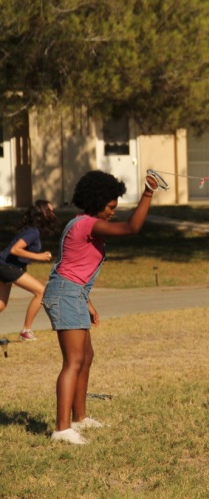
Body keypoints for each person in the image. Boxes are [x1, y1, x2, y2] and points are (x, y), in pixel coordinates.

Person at [44, 170, 159, 445]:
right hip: (65, 295)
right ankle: (61, 429)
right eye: (110, 207)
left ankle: (79, 419)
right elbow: (132, 228)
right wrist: (148, 192)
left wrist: (88, 303)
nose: (112, 213)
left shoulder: (82, 224)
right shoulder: (86, 224)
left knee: (86, 357)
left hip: (75, 294)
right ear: (97, 203)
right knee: (73, 361)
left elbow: (74, 268)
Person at [0, 200, 61, 341]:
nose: (52, 214)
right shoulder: (32, 232)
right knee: (41, 291)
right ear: (42, 213)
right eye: (50, 211)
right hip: (7, 267)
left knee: (1, 305)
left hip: (5, 266)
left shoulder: (32, 230)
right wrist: (39, 256)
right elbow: (16, 250)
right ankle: (26, 331)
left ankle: (26, 331)